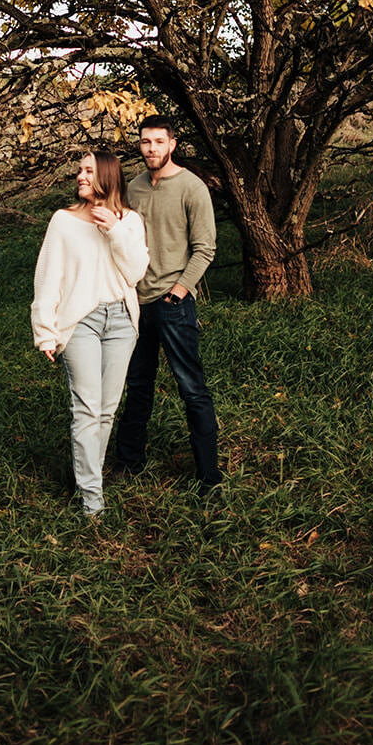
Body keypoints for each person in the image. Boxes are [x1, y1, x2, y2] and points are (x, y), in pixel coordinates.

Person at [31, 148, 149, 518]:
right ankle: (92, 501)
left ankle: (88, 479)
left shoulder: (129, 222)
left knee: (106, 411)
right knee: (86, 408)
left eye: (88, 171)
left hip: (121, 322)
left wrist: (113, 230)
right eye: (79, 171)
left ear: (108, 176)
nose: (80, 176)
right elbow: (48, 278)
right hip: (81, 320)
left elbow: (135, 273)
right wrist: (45, 331)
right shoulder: (63, 221)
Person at [112, 116, 222, 494]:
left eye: (159, 142)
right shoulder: (134, 188)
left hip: (173, 304)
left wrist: (180, 289)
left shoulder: (192, 188)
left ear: (173, 144)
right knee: (137, 385)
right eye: (145, 142)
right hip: (136, 304)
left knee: (191, 387)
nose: (152, 149)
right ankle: (129, 462)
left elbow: (205, 247)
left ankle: (209, 477)